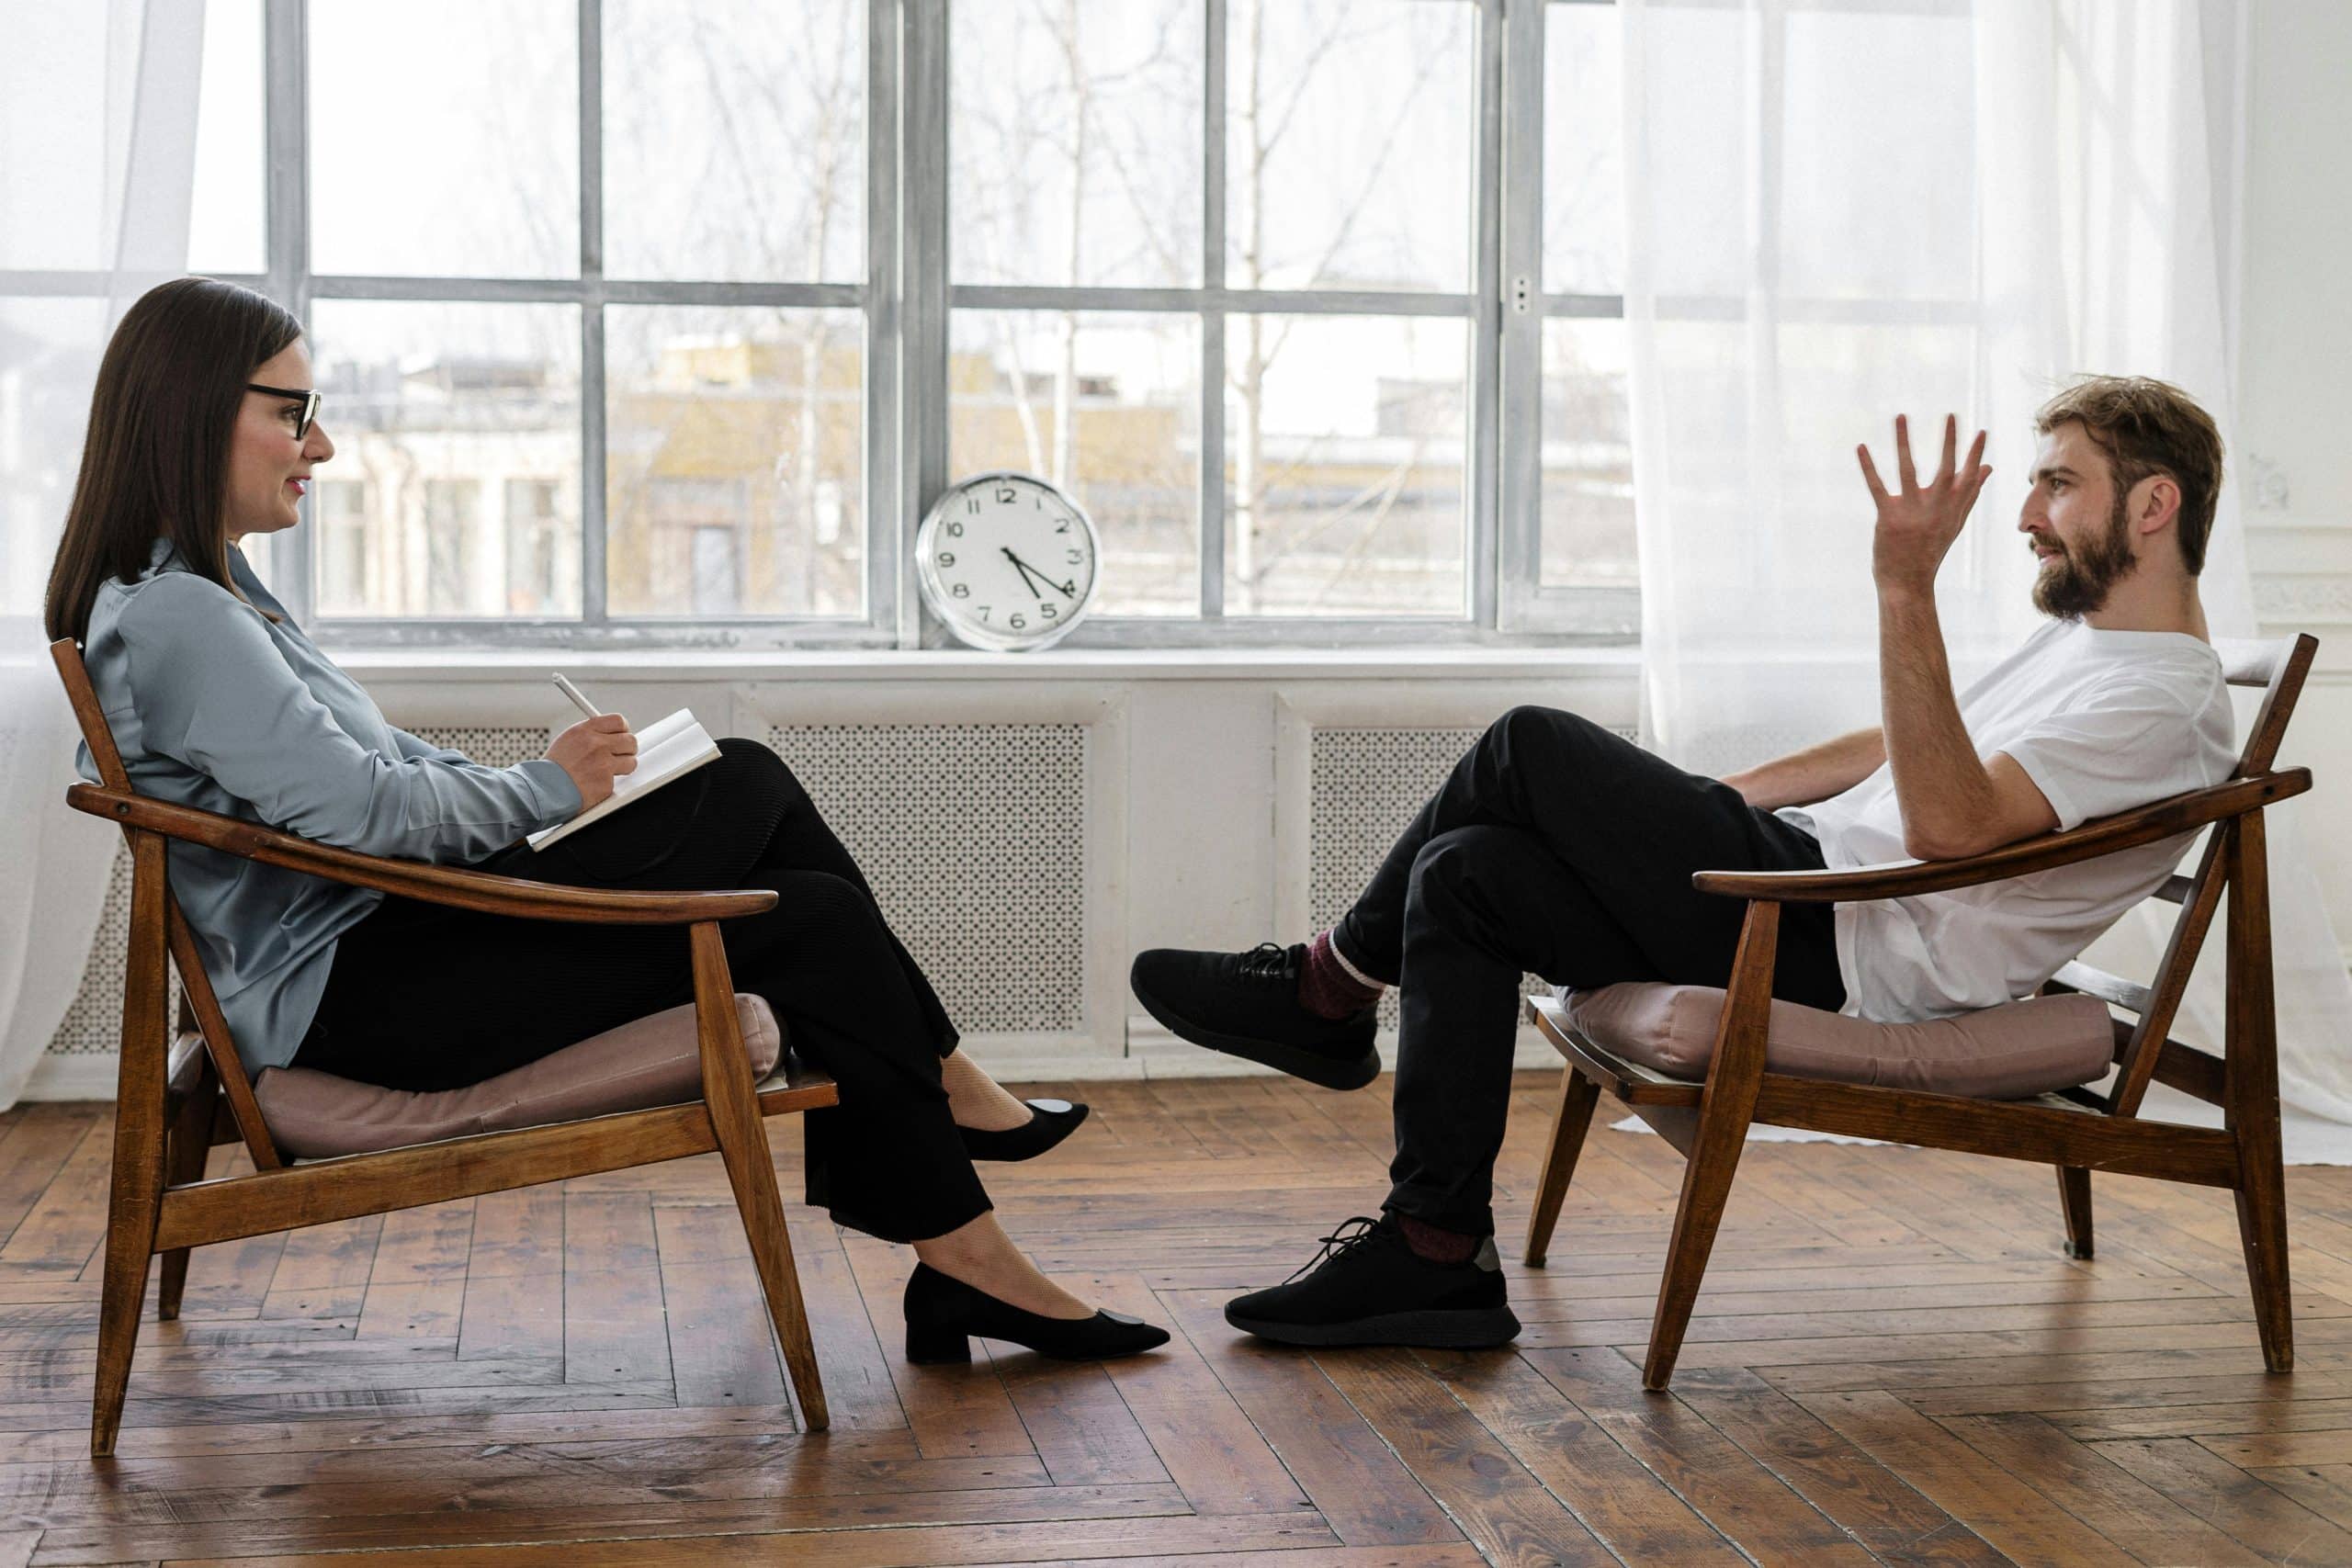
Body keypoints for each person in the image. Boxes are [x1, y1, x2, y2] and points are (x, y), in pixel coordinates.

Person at [45, 276, 1166, 1365]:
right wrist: (547, 791)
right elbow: (363, 812)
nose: (321, 447)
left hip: (383, 952)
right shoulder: (185, 616)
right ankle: (951, 1136)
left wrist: (550, 790)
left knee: (773, 834)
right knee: (772, 834)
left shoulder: (210, 596)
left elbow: (376, 769)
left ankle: (964, 1237)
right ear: (196, 411)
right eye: (295, 414)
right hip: (362, 999)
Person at [1133, 378, 2236, 1351]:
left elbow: (1949, 826)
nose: (2028, 516)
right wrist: (1710, 802)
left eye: (2058, 484)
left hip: (1843, 945)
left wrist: (1904, 588)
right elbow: (1904, 744)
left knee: (1528, 743)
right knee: (1465, 871)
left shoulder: (2159, 702)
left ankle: (1326, 989)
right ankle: (1436, 1248)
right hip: (1811, 891)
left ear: (2152, 505)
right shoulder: (2089, 647)